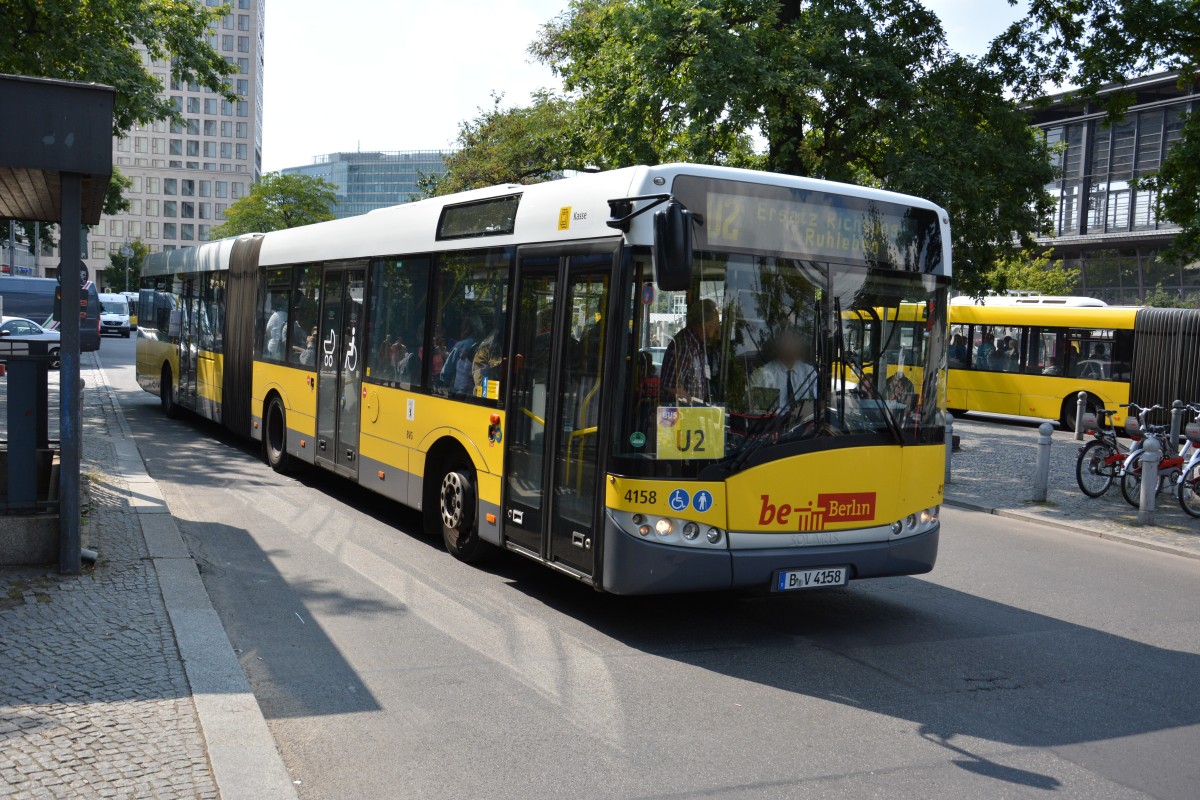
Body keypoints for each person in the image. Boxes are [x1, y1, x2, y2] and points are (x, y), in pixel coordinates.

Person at [659, 298, 720, 405]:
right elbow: (671, 386)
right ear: (703, 323)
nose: (717, 326)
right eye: (715, 322)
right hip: (681, 413)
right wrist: (692, 403)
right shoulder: (684, 345)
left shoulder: (698, 344)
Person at [750, 327, 816, 410]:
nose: (790, 347)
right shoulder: (762, 375)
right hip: (774, 418)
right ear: (779, 348)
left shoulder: (809, 372)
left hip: (804, 417)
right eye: (786, 343)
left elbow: (814, 404)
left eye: (793, 342)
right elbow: (753, 408)